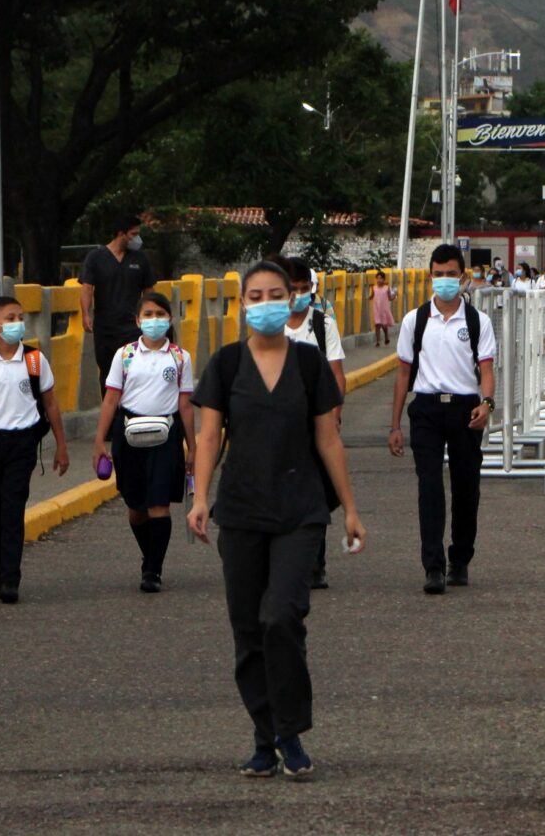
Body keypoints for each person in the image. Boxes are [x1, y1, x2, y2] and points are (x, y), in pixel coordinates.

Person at [188, 260, 367, 780]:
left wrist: (350, 509)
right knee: (248, 630)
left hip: (300, 512)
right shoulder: (224, 365)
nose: (266, 302)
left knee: (281, 617)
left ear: (293, 299)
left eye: (276, 294)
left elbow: (328, 439)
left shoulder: (309, 364)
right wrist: (200, 498)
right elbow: (207, 438)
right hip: (241, 512)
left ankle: (289, 731)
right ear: (242, 304)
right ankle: (264, 738)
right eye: (256, 295)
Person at [388, 243, 496, 595]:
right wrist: (394, 426)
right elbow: (403, 375)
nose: (445, 281)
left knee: (466, 487)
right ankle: (433, 567)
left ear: (463, 277)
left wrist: (487, 404)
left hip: (465, 410)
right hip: (427, 411)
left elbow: (487, 369)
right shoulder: (414, 321)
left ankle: (460, 559)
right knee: (429, 486)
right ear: (430, 276)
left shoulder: (478, 322)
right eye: (439, 275)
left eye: (451, 275)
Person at [0, 295, 70, 604]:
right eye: (10, 318)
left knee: (13, 507)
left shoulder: (35, 361)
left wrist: (61, 446)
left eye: (19, 317)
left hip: (23, 444)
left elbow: (51, 404)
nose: (17, 323)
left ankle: (10, 578)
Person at [91, 292, 195, 593]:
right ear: (137, 321)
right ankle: (148, 555)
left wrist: (193, 449)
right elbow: (111, 399)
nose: (154, 321)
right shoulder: (124, 355)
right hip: (129, 435)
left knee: (159, 504)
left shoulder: (179, 357)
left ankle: (153, 570)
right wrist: (100, 441)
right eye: (147, 315)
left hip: (166, 436)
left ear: (171, 319)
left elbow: (185, 405)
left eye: (160, 314)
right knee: (136, 507)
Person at [282, 256, 347, 591]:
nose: (299, 295)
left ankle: (316, 562)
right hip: (279, 427)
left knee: (315, 494)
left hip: (316, 423)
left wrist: (334, 416)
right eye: (292, 290)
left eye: (304, 289)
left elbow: (336, 372)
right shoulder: (270, 326)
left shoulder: (323, 325)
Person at [80, 216, 158, 393]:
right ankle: (111, 414)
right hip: (105, 328)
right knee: (108, 373)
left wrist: (150, 314)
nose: (138, 239)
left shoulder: (140, 259)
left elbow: (149, 290)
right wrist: (86, 314)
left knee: (134, 370)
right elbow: (87, 288)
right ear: (121, 234)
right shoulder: (96, 257)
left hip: (132, 327)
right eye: (134, 234)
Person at [369, 269, 396, 347]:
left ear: (384, 279)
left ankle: (386, 336)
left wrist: (394, 296)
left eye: (381, 278)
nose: (379, 280)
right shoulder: (374, 288)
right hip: (376, 309)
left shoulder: (386, 288)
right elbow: (371, 296)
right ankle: (377, 341)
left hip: (384, 309)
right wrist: (367, 298)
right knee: (377, 324)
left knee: (384, 325)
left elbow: (390, 298)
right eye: (377, 278)